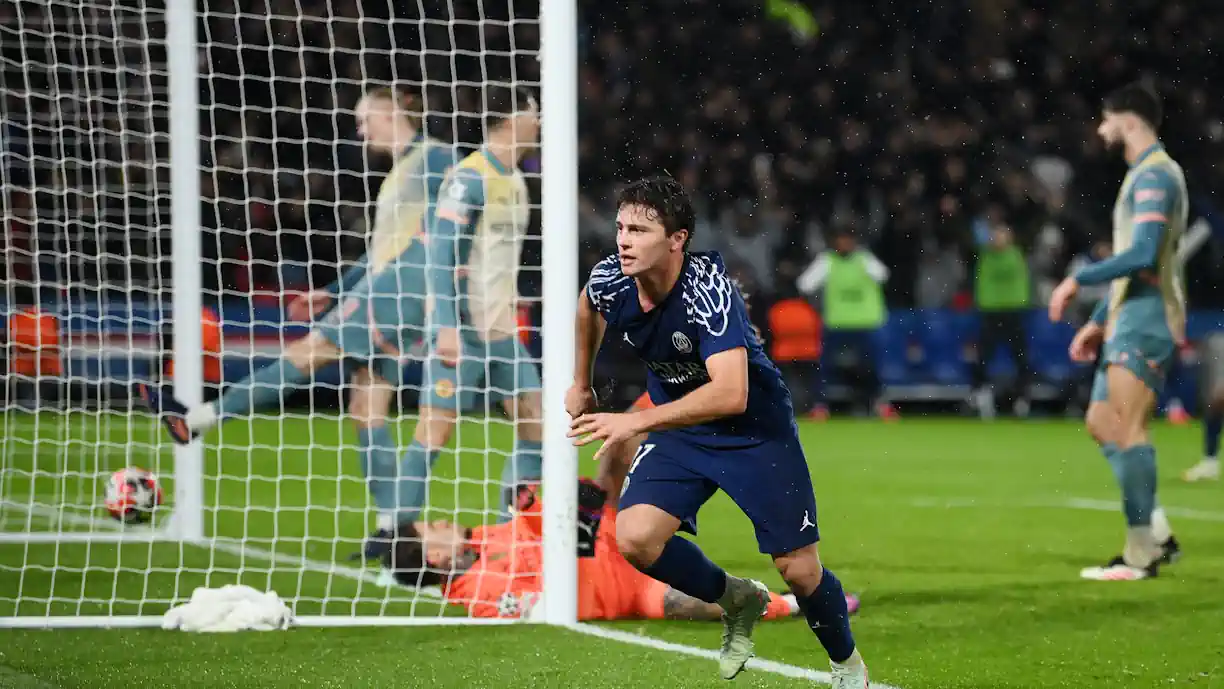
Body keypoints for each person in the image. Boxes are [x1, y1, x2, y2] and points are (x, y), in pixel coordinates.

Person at [566, 176, 868, 687]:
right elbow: (587, 309)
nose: (622, 240)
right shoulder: (610, 278)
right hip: (682, 430)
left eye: (639, 230)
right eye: (620, 227)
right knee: (635, 538)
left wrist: (634, 420)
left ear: (676, 238)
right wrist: (582, 384)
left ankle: (848, 667)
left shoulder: (709, 290)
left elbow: (732, 394)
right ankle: (737, 599)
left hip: (753, 432)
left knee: (798, 571)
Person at [139, 86, 458, 559]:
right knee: (367, 410)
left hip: (396, 294)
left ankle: (199, 419)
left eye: (365, 118)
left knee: (304, 357)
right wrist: (332, 292)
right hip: (389, 292)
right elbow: (379, 252)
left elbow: (456, 219)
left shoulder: (434, 159)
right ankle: (394, 530)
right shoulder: (398, 174)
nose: (361, 129)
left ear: (392, 113)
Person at [1049, 81, 1187, 581]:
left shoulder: (1155, 177)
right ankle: (1156, 532)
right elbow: (1135, 265)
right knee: (1103, 422)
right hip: (1128, 315)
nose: (1101, 129)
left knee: (1129, 428)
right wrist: (1098, 320)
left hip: (1149, 319)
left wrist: (1078, 279)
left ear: (1128, 120)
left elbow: (1144, 255)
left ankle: (1139, 555)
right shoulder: (1143, 176)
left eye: (1106, 120)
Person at [385, 478, 861, 621]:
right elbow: (543, 602)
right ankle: (800, 604)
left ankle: (668, 398)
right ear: (435, 559)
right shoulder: (478, 595)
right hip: (621, 589)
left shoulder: (481, 538)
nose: (444, 521)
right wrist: (541, 519)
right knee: (689, 604)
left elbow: (549, 528)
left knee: (610, 462)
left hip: (605, 541)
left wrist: (532, 508)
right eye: (432, 529)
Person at [411, 85, 544, 523]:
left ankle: (513, 534)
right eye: (533, 113)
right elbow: (440, 255)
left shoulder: (517, 178)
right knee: (435, 429)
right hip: (462, 328)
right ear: (510, 122)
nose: (539, 122)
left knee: (535, 422)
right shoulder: (468, 179)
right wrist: (447, 324)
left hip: (502, 328)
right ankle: (394, 538)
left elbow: (493, 253)